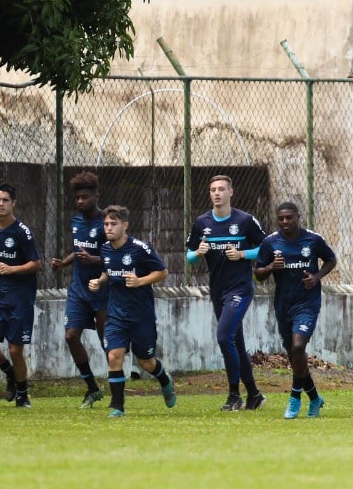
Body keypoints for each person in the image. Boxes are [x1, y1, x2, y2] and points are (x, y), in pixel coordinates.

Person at [186, 175, 268, 411]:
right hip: (217, 290)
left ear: (231, 192)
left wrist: (243, 255)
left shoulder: (244, 220)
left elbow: (266, 247)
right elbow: (189, 257)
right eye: (213, 190)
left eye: (221, 189)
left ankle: (234, 396)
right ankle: (254, 395)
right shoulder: (202, 222)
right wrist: (198, 253)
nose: (217, 193)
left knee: (223, 336)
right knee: (236, 343)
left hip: (240, 288)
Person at [89, 205, 176, 417]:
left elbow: (162, 272)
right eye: (106, 224)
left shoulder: (139, 248)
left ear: (125, 225)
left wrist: (140, 281)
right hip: (116, 315)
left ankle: (164, 379)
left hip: (141, 316)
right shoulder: (105, 249)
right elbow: (108, 272)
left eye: (113, 224)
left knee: (146, 362)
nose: (108, 228)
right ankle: (117, 406)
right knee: (114, 355)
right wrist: (100, 281)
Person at [254, 202, 338, 419]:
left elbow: (331, 259)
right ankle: (315, 398)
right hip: (283, 304)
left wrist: (317, 277)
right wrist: (272, 267)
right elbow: (258, 274)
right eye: (281, 218)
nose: (285, 222)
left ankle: (294, 397)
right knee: (294, 355)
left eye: (289, 218)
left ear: (298, 217)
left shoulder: (313, 239)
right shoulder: (270, 242)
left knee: (299, 346)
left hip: (307, 303)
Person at [49, 171, 109, 407]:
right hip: (78, 290)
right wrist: (64, 262)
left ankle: (117, 389)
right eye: (77, 198)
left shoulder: (106, 222)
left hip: (102, 290)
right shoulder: (75, 221)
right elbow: (78, 249)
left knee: (108, 344)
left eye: (85, 197)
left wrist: (93, 260)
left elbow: (115, 257)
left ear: (96, 196)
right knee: (71, 335)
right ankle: (92, 388)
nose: (80, 201)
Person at [0, 183, 41, 408]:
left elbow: (36, 264)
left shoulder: (22, 232)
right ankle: (11, 374)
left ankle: (23, 394)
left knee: (15, 349)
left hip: (19, 300)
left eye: (5, 200)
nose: (1, 204)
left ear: (13, 203)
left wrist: (13, 269)